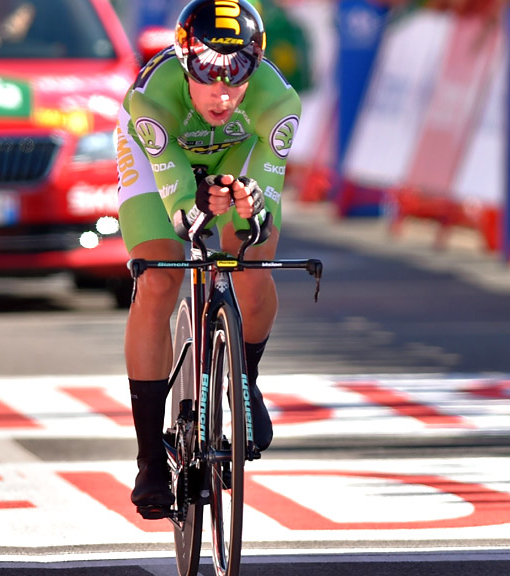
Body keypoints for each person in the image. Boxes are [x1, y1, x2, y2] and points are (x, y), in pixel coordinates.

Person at [115, 0, 300, 519]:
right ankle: (150, 458)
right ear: (183, 63)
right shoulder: (150, 98)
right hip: (161, 157)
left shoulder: (278, 101)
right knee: (159, 275)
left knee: (252, 258)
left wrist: (253, 210)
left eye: (236, 78)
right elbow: (179, 209)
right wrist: (193, 207)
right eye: (207, 77)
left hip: (237, 153)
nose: (222, 95)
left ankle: (246, 379)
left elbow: (264, 199)